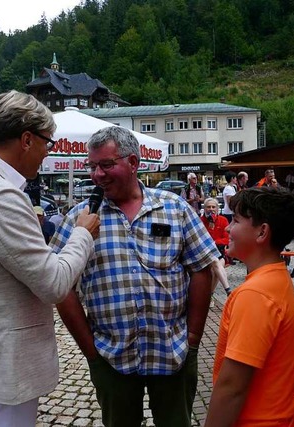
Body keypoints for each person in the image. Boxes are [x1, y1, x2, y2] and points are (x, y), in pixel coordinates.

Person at [0, 90, 100, 427]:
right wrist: (82, 234)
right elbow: (54, 284)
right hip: (2, 361)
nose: (46, 152)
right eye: (47, 143)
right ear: (27, 139)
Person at [51, 126, 219, 427]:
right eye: (92, 166)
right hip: (110, 355)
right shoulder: (80, 218)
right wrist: (90, 351)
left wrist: (193, 339)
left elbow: (201, 269)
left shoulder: (174, 208)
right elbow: (59, 284)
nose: (97, 175)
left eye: (106, 164)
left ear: (133, 163)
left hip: (173, 352)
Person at [204, 187, 294, 426]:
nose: (227, 227)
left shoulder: (254, 294)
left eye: (236, 220)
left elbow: (232, 388)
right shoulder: (277, 277)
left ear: (262, 232)